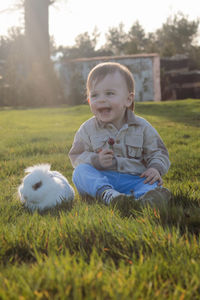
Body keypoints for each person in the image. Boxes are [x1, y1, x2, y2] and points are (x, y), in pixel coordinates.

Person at [69, 62, 171, 207]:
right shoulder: (87, 129)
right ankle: (108, 194)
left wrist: (155, 168)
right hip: (103, 178)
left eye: (109, 93)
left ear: (128, 99)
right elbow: (75, 156)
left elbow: (159, 152)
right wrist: (96, 160)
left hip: (134, 178)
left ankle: (145, 198)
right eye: (95, 95)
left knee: (150, 182)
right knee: (80, 172)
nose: (101, 99)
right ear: (89, 100)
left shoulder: (141, 127)